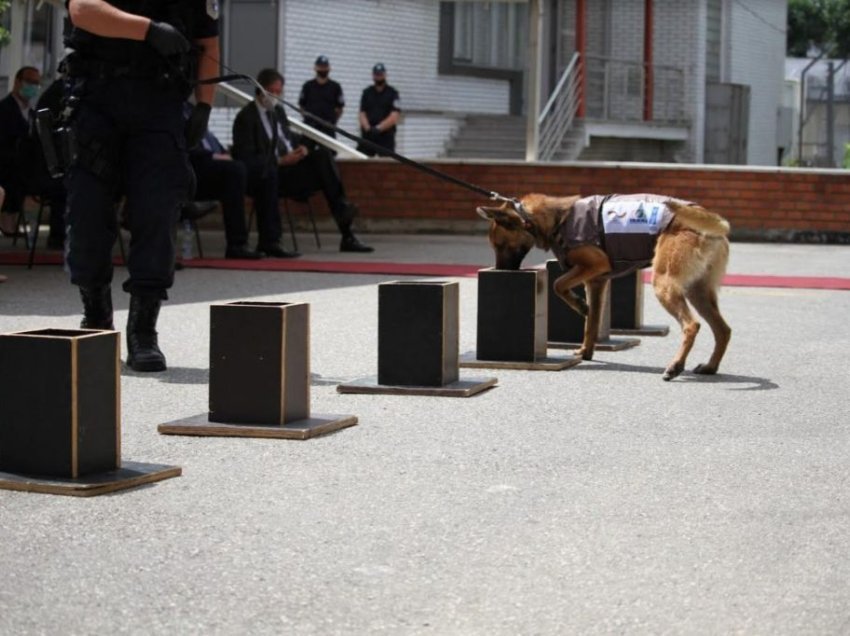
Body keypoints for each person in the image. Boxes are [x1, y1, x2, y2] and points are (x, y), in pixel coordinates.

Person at [64, 0, 220, 372]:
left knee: (156, 214)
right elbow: (82, 9)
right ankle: (97, 318)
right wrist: (148, 30)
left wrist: (204, 106)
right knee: (87, 215)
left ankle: (143, 331)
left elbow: (209, 46)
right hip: (96, 102)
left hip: (159, 105)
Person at [232, 68, 373, 254]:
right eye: (271, 91)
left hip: (292, 170)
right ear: (259, 89)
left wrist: (304, 147)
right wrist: (280, 160)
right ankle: (271, 242)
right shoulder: (246, 117)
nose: (275, 96)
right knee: (275, 174)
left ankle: (347, 232)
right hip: (270, 173)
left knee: (322, 156)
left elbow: (288, 138)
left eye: (278, 92)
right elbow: (246, 156)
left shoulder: (278, 112)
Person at [186, 106, 263, 260]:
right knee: (235, 171)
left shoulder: (194, 110)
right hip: (193, 168)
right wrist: (213, 156)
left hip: (214, 165)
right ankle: (237, 244)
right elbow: (186, 147)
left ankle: (270, 240)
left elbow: (212, 143)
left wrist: (224, 154)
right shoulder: (176, 112)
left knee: (262, 170)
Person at [0, 66, 66, 247]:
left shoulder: (30, 112)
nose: (34, 87)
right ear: (17, 82)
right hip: (11, 167)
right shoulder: (5, 110)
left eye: (37, 83)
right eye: (30, 82)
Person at [358, 63, 401, 156]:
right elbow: (362, 113)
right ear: (373, 76)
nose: (378, 77)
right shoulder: (367, 93)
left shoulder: (393, 93)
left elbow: (394, 116)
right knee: (362, 163)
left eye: (380, 74)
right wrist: (368, 128)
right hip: (368, 135)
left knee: (386, 165)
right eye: (376, 74)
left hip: (386, 136)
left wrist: (378, 128)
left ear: (385, 75)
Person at [298, 55, 344, 141]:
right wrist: (308, 119)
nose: (323, 69)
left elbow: (339, 109)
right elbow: (302, 106)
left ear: (329, 68)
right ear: (315, 68)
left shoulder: (335, 87)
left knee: (329, 153)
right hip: (310, 128)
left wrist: (332, 121)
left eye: (325, 67)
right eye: (321, 67)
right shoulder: (307, 86)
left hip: (328, 129)